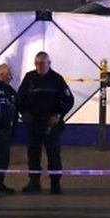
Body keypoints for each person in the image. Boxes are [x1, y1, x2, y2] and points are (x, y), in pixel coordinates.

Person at [17, 51, 75, 194]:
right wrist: (23, 113)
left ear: (49, 63)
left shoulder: (56, 79)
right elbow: (20, 98)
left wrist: (59, 114)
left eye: (42, 63)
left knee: (53, 154)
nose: (40, 66)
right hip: (33, 124)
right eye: (37, 63)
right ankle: (34, 182)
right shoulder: (29, 78)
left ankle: (55, 184)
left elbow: (69, 100)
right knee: (33, 154)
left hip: (51, 124)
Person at [0, 62, 20, 195]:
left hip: (7, 130)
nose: (10, 78)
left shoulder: (9, 90)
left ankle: (0, 183)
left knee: (3, 159)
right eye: (9, 76)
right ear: (1, 74)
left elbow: (16, 105)